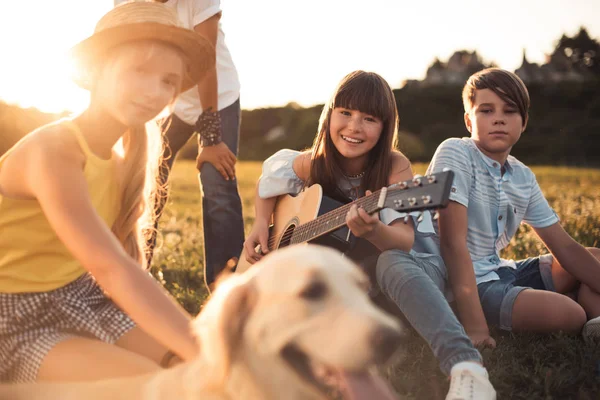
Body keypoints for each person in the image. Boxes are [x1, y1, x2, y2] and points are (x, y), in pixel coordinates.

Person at [243, 70, 497, 400]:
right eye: (345, 113)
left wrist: (375, 231)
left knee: (390, 261)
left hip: (413, 272)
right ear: (329, 114)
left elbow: (404, 242)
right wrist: (261, 224)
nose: (353, 127)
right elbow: (271, 177)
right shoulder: (314, 163)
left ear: (385, 126)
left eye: (369, 119)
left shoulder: (393, 167)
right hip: (356, 292)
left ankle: (467, 368)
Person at [0, 1, 215, 382]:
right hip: (12, 316)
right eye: (139, 70)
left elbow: (125, 270)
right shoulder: (54, 151)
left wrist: (207, 353)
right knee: (149, 383)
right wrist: (218, 358)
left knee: (192, 372)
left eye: (169, 81)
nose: (155, 91)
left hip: (80, 296)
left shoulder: (121, 161)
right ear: (97, 70)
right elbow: (110, 268)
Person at [427, 68, 600, 345]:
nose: (498, 119)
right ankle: (579, 310)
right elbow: (452, 243)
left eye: (509, 111)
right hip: (467, 285)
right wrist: (475, 327)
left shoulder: (522, 176)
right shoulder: (455, 152)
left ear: (524, 122)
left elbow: (565, 248)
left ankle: (595, 323)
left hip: (504, 271)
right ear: (468, 121)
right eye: (486, 110)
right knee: (570, 314)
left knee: (593, 257)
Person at [119, 0, 244, 290]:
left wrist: (211, 140)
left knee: (217, 180)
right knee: (142, 177)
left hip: (216, 95)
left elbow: (206, 62)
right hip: (166, 98)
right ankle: (135, 270)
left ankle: (226, 287)